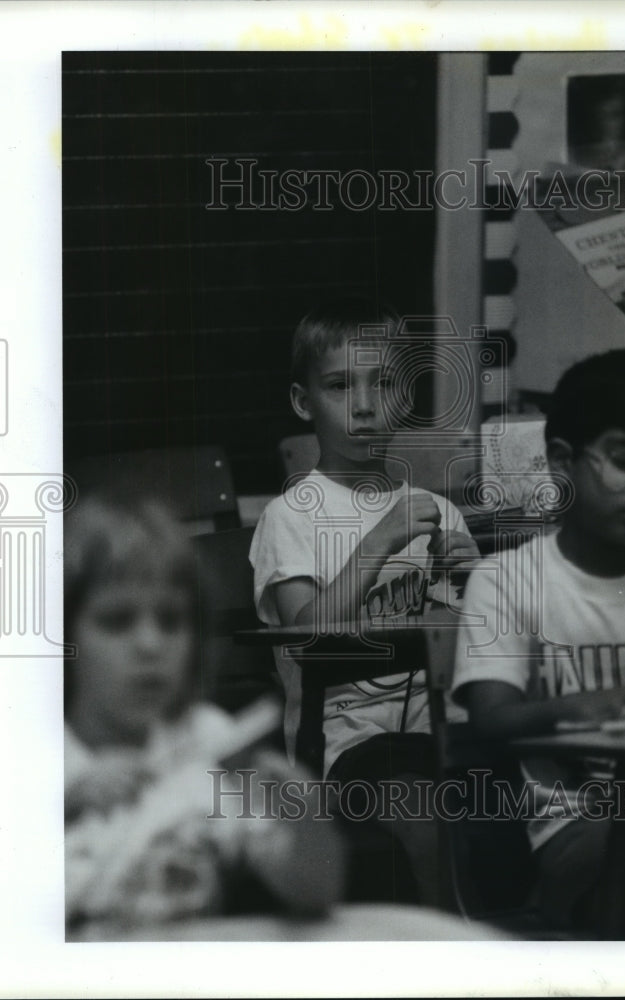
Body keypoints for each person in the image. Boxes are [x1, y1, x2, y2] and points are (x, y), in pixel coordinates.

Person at [249, 298, 479, 904]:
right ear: (304, 403)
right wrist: (380, 540)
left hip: (446, 733)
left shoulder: (440, 512)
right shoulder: (289, 518)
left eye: (383, 384)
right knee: (432, 817)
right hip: (347, 748)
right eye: (339, 386)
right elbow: (307, 641)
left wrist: (477, 590)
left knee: (536, 801)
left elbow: (475, 655)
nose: (364, 404)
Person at [64, 495, 343, 932]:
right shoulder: (28, 755)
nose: (151, 645)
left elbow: (314, 893)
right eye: (117, 621)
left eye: (172, 621)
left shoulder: (208, 735)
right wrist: (61, 805)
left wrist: (307, 823)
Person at [451, 348, 625, 934]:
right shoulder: (508, 580)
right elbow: (488, 718)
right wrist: (580, 707)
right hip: (575, 828)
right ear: (562, 464)